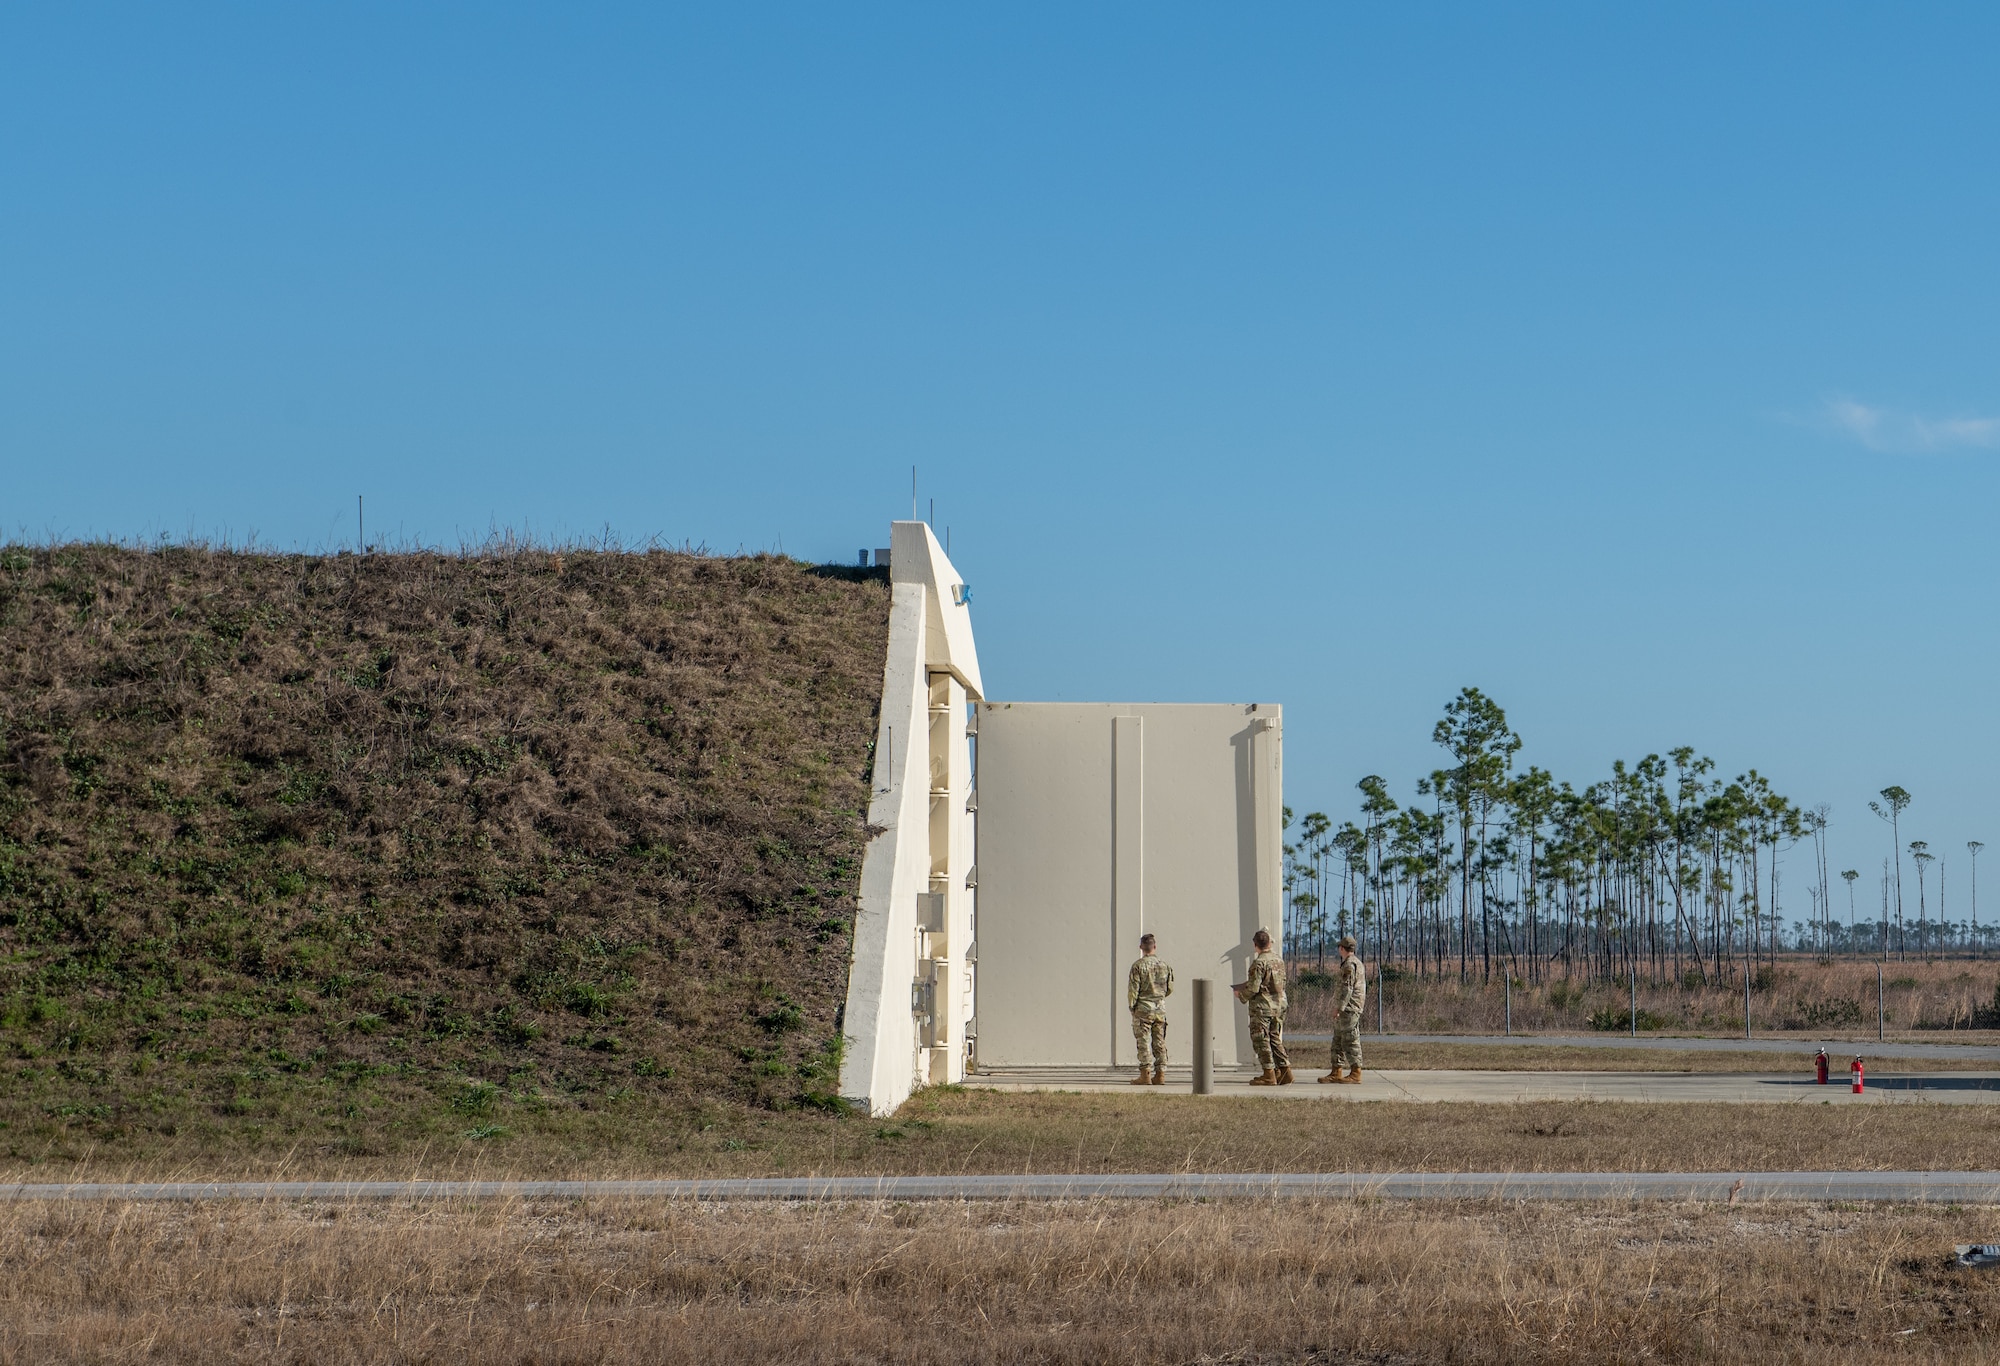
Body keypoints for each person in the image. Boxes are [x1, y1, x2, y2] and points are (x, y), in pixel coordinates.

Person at [1234, 927, 1292, 1085]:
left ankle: (1268, 1074)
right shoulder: (1278, 960)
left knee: (1261, 1040)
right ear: (1269, 943)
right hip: (1279, 1005)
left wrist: (1241, 994)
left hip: (1262, 1007)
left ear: (1255, 945)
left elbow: (1253, 987)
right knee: (1274, 1038)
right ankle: (1285, 1071)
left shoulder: (1258, 963)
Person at [1126, 933, 1174, 1085]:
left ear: (1141, 947)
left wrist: (1132, 1007)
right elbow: (1169, 988)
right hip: (1160, 1009)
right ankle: (1160, 1075)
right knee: (1159, 1041)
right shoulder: (1165, 966)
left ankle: (1145, 1075)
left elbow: (1133, 990)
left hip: (1143, 1009)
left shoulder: (1138, 966)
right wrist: (1158, 998)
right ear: (1155, 946)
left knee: (1143, 1041)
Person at [1319, 935, 1366, 1084]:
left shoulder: (1349, 965)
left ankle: (1355, 1072)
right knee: (1338, 1040)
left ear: (1342, 948)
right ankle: (1336, 1071)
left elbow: (1347, 989)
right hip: (1349, 1007)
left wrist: (1339, 1008)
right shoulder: (1355, 963)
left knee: (1350, 1040)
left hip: (1349, 1008)